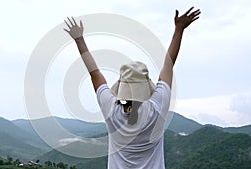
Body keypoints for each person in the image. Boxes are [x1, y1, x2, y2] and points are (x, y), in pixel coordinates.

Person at [64, 7, 201, 169]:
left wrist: (79, 40)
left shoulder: (111, 110)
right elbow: (168, 66)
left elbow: (95, 74)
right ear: (145, 86)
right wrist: (179, 30)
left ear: (122, 88)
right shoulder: (157, 108)